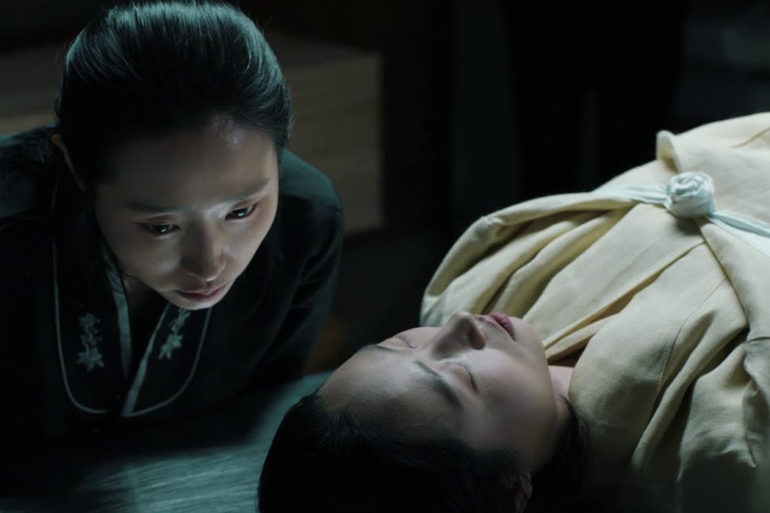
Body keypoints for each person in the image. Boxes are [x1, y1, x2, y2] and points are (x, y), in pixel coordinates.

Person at [259, 113, 770, 513]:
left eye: (402, 343)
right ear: (509, 489)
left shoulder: (483, 279)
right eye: (460, 376)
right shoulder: (728, 448)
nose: (459, 325)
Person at [0, 0, 344, 450]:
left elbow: (261, 422)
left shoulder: (306, 220)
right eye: (161, 227)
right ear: (77, 166)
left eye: (241, 212)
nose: (209, 265)